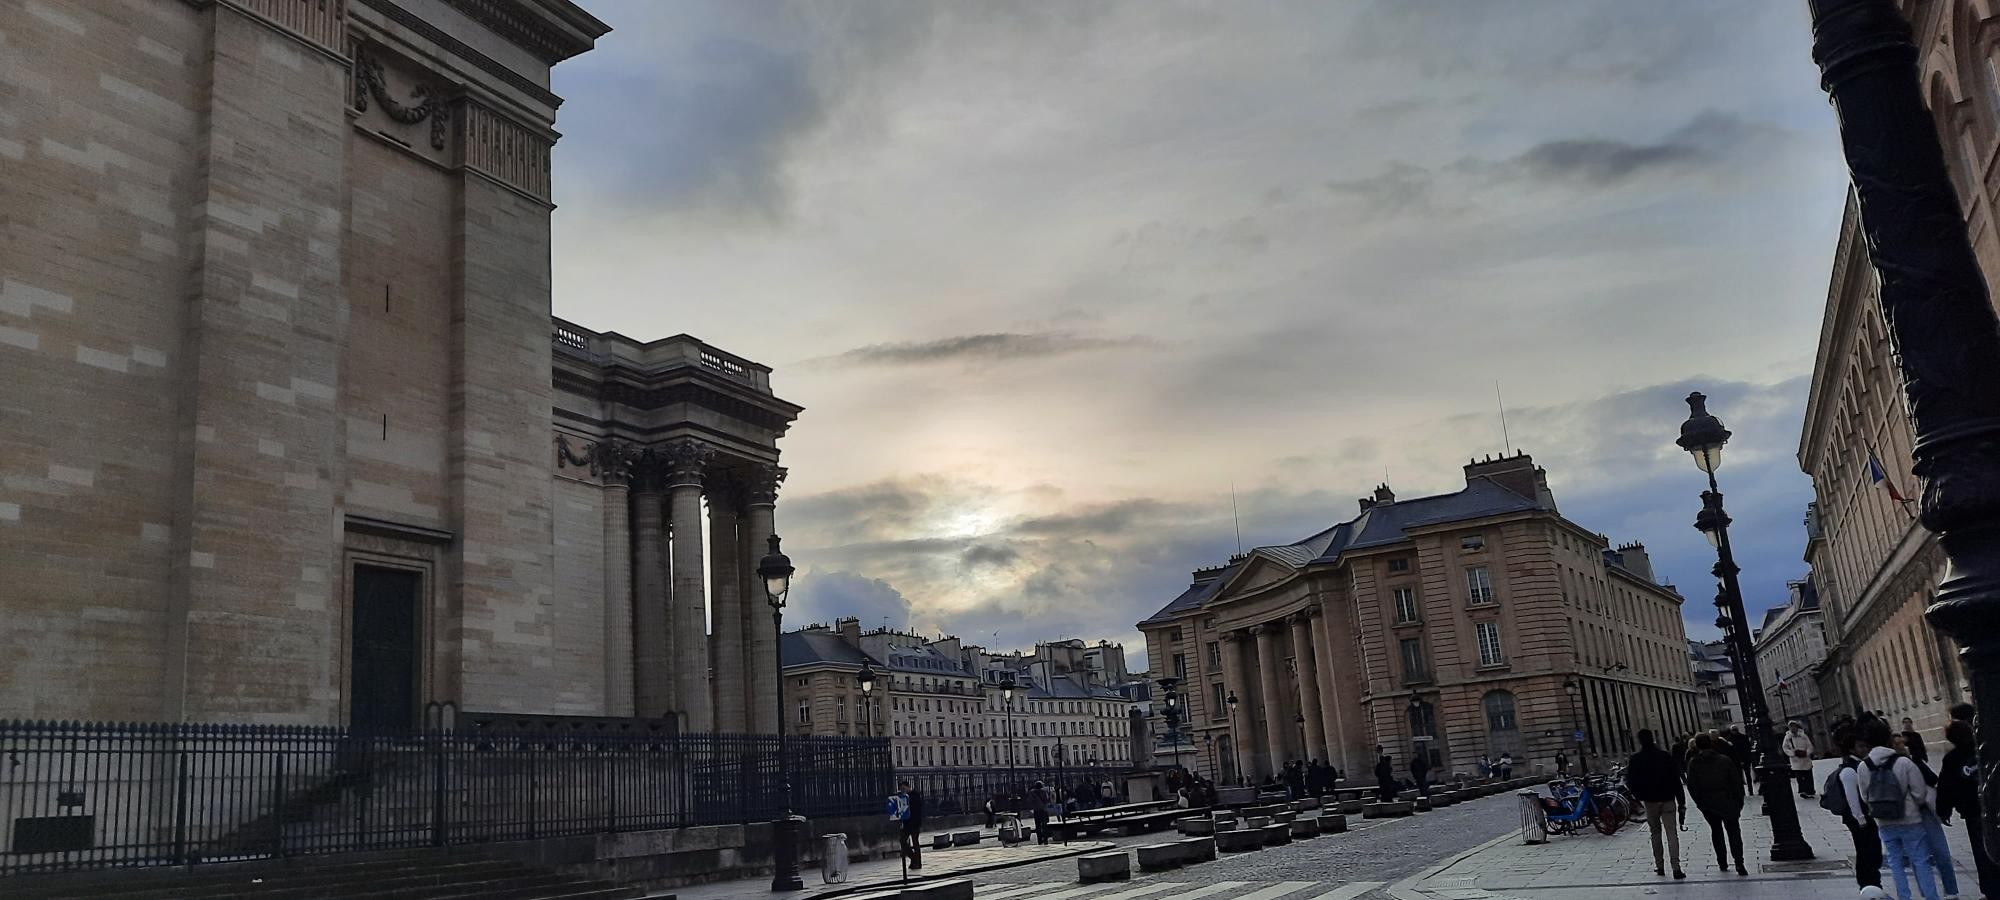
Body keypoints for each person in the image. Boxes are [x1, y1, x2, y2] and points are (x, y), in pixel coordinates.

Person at [1859, 716, 1942, 900]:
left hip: (1884, 822)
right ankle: (1931, 896)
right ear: (1888, 738)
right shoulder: (1903, 762)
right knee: (1920, 861)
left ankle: (1904, 896)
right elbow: (1920, 793)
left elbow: (1865, 796)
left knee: (1895, 862)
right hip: (1910, 819)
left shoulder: (1863, 766)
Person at [1895, 731, 1959, 900]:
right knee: (1937, 853)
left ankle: (1933, 893)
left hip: (1908, 815)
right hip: (1921, 811)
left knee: (1920, 856)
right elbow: (1930, 781)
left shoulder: (1904, 762)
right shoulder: (1911, 762)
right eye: (1900, 744)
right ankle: (1949, 891)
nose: (1904, 746)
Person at [1941, 719, 1999, 900]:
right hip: (1992, 806)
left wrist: (1944, 810)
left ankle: (1991, 890)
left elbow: (1945, 787)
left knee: (1981, 852)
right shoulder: (1985, 749)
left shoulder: (1952, 759)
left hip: (1972, 811)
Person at [1624, 729, 1687, 879]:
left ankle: (1660, 866)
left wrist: (1640, 796)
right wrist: (1682, 802)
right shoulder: (1665, 756)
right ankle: (1676, 867)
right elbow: (1676, 779)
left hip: (1650, 801)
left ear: (1639, 740)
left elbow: (1630, 782)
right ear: (1653, 738)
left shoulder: (1636, 759)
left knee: (1655, 834)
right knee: (1672, 834)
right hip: (1668, 799)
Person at [1831, 721, 1884, 892]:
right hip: (1859, 819)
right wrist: (1860, 818)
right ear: (1852, 749)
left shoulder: (1857, 765)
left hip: (1862, 817)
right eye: (1861, 746)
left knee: (1869, 851)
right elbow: (1852, 797)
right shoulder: (1849, 770)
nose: (1865, 749)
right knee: (1867, 851)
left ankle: (1871, 882)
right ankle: (1869, 883)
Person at [1684, 733, 1747, 876]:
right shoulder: (1724, 760)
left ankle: (1722, 862)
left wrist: (1701, 804)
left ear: (1697, 746)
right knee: (1734, 832)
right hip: (1728, 801)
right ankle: (1739, 862)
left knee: (1716, 832)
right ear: (1711, 744)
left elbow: (1692, 786)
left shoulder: (1694, 763)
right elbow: (1736, 782)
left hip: (1708, 803)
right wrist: (1738, 801)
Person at [1781, 721, 1815, 797]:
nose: (1793, 728)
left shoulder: (1803, 736)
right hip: (1796, 760)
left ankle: (1810, 790)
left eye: (1794, 726)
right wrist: (1793, 753)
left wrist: (1806, 753)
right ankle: (1803, 790)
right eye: (1791, 727)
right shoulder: (1788, 738)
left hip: (1805, 758)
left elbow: (1810, 746)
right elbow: (1785, 748)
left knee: (1808, 775)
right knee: (1799, 776)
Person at [895, 780, 924, 871]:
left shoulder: (915, 795)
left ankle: (917, 862)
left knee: (915, 843)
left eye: (903, 788)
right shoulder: (903, 797)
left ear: (908, 787)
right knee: (902, 841)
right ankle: (913, 858)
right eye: (901, 789)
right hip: (907, 823)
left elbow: (917, 809)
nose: (902, 790)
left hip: (914, 823)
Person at [1723, 724, 1755, 792]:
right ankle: (1749, 789)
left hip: (1738, 759)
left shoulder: (1729, 739)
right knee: (1745, 775)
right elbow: (1747, 748)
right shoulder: (1743, 737)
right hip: (1742, 759)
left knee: (1742, 776)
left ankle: (1745, 790)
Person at [1029, 781, 1052, 845]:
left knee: (1038, 826)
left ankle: (1039, 840)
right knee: (1044, 825)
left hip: (1036, 810)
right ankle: (1045, 839)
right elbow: (1046, 800)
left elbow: (1030, 801)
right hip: (1043, 810)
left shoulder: (1032, 792)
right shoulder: (1043, 792)